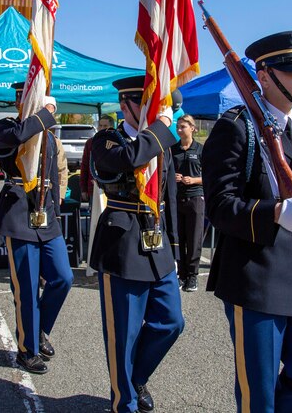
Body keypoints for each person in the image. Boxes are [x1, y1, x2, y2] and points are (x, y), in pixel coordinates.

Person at [202, 31, 292, 413]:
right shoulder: (236, 127)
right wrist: (273, 213)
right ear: (263, 76)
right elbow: (220, 206)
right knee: (257, 394)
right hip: (254, 275)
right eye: (291, 71)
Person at [90, 75, 184, 413]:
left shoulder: (160, 141)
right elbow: (128, 158)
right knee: (124, 335)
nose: (152, 111)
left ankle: (135, 378)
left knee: (171, 322)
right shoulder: (106, 140)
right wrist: (161, 127)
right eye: (145, 104)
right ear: (125, 105)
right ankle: (123, 403)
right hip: (123, 242)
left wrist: (177, 247)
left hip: (156, 242)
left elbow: (168, 195)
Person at [0, 83, 72, 375]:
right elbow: (14, 138)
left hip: (46, 214)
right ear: (19, 101)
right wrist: (44, 116)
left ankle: (38, 331)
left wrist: (57, 211)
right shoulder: (6, 126)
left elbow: (55, 174)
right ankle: (27, 349)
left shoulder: (49, 135)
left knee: (63, 277)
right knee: (26, 287)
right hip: (18, 213)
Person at [171, 114, 205, 292]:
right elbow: (165, 172)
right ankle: (181, 274)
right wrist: (173, 176)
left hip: (195, 198)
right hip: (177, 198)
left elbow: (210, 176)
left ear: (192, 128)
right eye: (178, 126)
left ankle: (192, 276)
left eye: (183, 126)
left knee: (194, 239)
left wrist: (195, 180)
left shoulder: (200, 149)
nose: (179, 129)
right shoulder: (173, 149)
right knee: (179, 238)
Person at [79, 114, 114, 202]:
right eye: (100, 125)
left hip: (112, 189)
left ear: (111, 127)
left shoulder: (116, 142)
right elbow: (84, 166)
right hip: (93, 187)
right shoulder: (90, 142)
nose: (102, 128)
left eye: (105, 126)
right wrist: (84, 189)